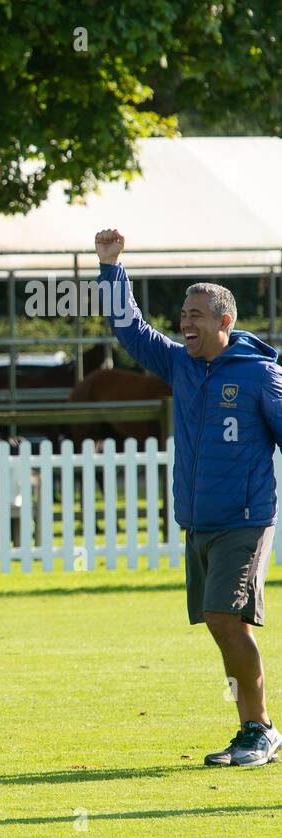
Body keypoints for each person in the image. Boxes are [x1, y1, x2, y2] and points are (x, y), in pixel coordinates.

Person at [97, 228, 282, 767]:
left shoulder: (259, 372)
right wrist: (112, 267)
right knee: (225, 626)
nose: (185, 323)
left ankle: (259, 729)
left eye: (196, 315)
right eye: (183, 315)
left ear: (225, 321)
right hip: (198, 521)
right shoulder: (181, 363)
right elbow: (129, 330)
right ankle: (254, 730)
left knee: (223, 616)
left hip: (245, 520)